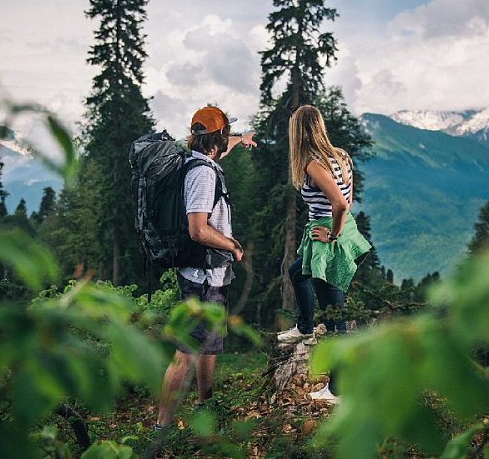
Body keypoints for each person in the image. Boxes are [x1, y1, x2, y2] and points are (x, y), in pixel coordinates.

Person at [156, 106, 256, 430]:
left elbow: (219, 150)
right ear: (216, 136)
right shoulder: (202, 173)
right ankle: (161, 428)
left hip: (209, 275)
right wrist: (232, 245)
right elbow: (197, 229)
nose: (228, 137)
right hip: (202, 278)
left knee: (208, 346)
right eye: (226, 132)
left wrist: (242, 139)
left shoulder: (200, 161)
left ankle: (204, 408)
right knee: (186, 353)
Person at [278, 104, 371, 400]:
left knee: (334, 317)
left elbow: (340, 204)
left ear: (298, 131)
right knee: (297, 272)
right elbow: (349, 198)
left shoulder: (313, 165)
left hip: (328, 234)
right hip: (338, 229)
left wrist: (332, 235)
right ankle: (305, 326)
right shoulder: (340, 155)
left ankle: (339, 390)